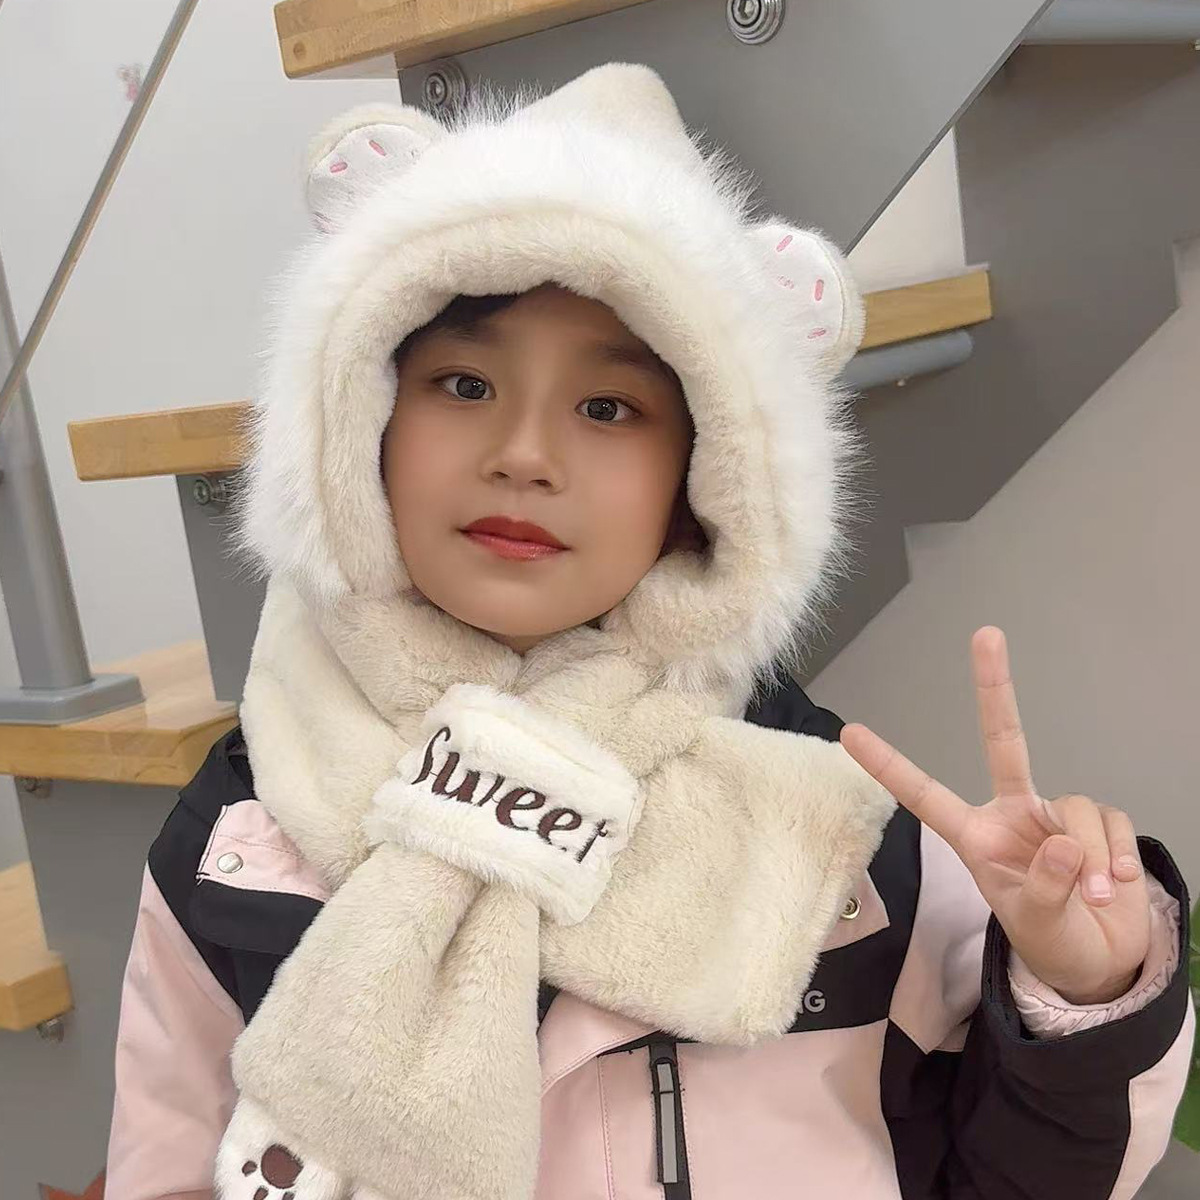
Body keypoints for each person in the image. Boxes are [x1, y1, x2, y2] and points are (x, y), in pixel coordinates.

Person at [104, 63, 1193, 1200]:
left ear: (704, 479)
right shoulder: (245, 825)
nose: (525, 454)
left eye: (608, 407)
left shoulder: (834, 831)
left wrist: (1084, 995)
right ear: (359, 422)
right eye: (464, 385)